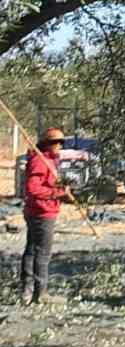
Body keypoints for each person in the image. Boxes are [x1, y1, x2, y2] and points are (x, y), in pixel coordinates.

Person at [20, 127, 70, 305]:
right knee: (42, 253)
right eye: (56, 142)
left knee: (32, 250)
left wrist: (61, 192)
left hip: (38, 210)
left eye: (61, 142)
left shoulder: (50, 160)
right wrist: (56, 194)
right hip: (42, 212)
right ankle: (41, 293)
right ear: (46, 144)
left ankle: (27, 292)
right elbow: (33, 188)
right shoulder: (41, 161)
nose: (59, 146)